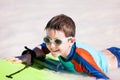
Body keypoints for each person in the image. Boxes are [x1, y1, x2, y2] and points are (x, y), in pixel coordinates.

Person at [6, 14, 120, 80]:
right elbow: (42, 48)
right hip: (106, 53)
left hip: (116, 60)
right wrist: (28, 55)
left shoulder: (81, 58)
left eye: (57, 41)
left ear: (71, 41)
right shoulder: (54, 46)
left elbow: (103, 77)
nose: (51, 46)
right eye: (47, 40)